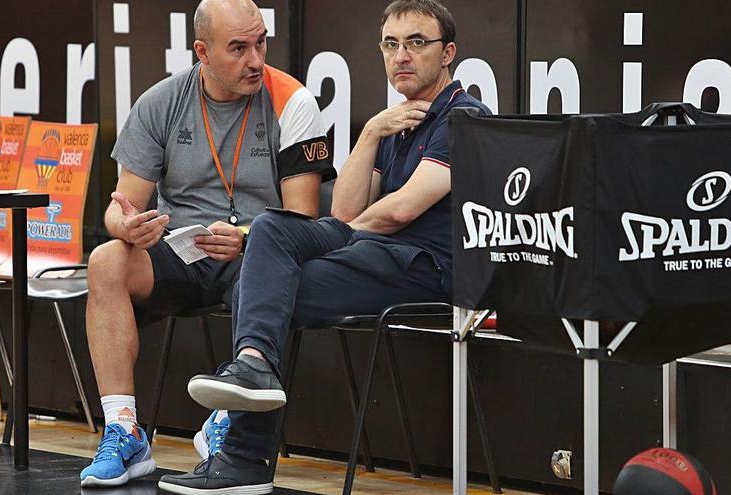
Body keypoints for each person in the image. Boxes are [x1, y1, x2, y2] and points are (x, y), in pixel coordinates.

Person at [158, 1, 491, 493]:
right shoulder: (399, 119)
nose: (402, 55)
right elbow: (345, 210)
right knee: (272, 227)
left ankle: (245, 455)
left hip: (423, 265)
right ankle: (252, 367)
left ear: (449, 54)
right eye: (391, 44)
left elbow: (400, 210)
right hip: (372, 247)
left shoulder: (463, 115)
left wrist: (348, 235)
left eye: (417, 43)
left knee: (274, 287)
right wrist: (373, 131)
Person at [78, 0, 334, 488]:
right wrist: (128, 228)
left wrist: (244, 238)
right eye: (238, 48)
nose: (255, 60)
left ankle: (227, 424)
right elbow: (119, 207)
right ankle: (124, 431)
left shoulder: (293, 101)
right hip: (184, 250)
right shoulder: (160, 102)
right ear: (202, 52)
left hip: (259, 254)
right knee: (108, 260)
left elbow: (302, 222)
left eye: (261, 43)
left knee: (266, 268)